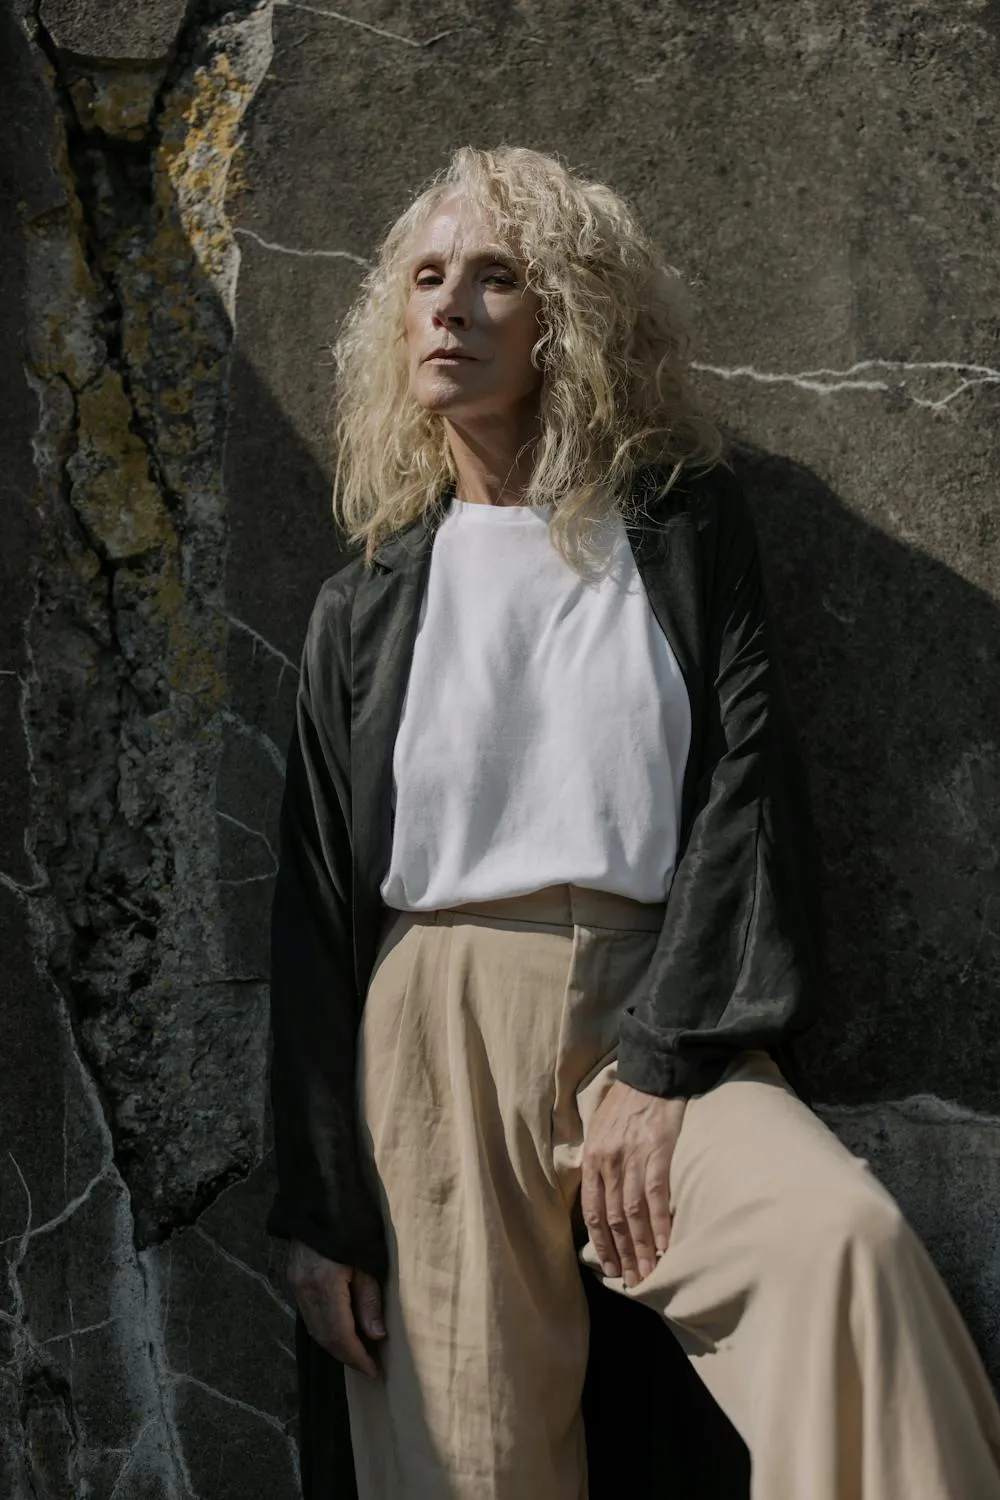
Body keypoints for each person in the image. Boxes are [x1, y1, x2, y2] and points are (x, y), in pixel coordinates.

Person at [266, 144, 1000, 1500]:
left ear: (564, 320)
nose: (449, 307)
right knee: (464, 1463)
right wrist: (315, 1214)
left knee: (846, 1252)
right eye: (428, 278)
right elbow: (312, 914)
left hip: (664, 1001)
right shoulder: (360, 604)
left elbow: (744, 793)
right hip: (433, 1029)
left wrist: (662, 1067)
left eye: (496, 278)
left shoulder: (676, 530)